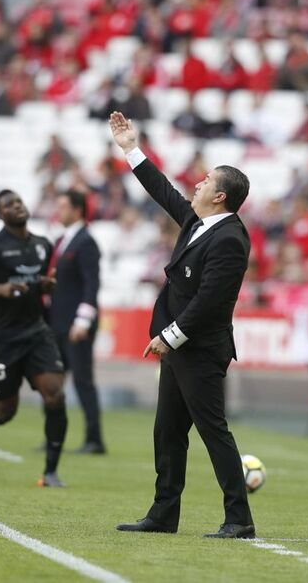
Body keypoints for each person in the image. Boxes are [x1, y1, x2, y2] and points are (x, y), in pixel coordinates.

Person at [108, 111, 255, 539]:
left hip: (200, 348)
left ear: (221, 196)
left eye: (206, 181)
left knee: (213, 431)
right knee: (168, 432)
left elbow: (211, 302)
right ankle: (163, 513)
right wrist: (130, 149)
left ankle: (239, 518)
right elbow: (162, 191)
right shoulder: (199, 221)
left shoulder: (230, 238)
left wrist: (169, 337)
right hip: (179, 347)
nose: (197, 184)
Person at [0, 189, 67, 488]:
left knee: (55, 393)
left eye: (18, 201)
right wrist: (1, 290)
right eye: (8, 205)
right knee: (6, 411)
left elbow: (39, 286)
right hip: (1, 338)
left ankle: (51, 472)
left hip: (35, 332)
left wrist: (45, 286)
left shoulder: (43, 245)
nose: (16, 206)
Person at [48, 190, 105, 454]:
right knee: (53, 380)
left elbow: (91, 285)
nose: (58, 211)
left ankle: (94, 438)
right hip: (57, 322)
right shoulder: (62, 240)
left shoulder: (86, 243)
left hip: (75, 325)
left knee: (83, 381)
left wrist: (83, 320)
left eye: (63, 206)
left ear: (78, 210)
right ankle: (53, 436)